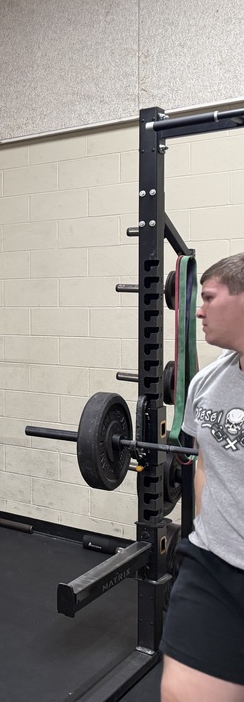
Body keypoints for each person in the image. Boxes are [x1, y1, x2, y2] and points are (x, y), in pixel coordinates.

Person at [160, 253, 244, 702]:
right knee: (181, 693)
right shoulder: (204, 383)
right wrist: (203, 532)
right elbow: (204, 461)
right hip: (212, 564)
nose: (197, 308)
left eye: (209, 297)